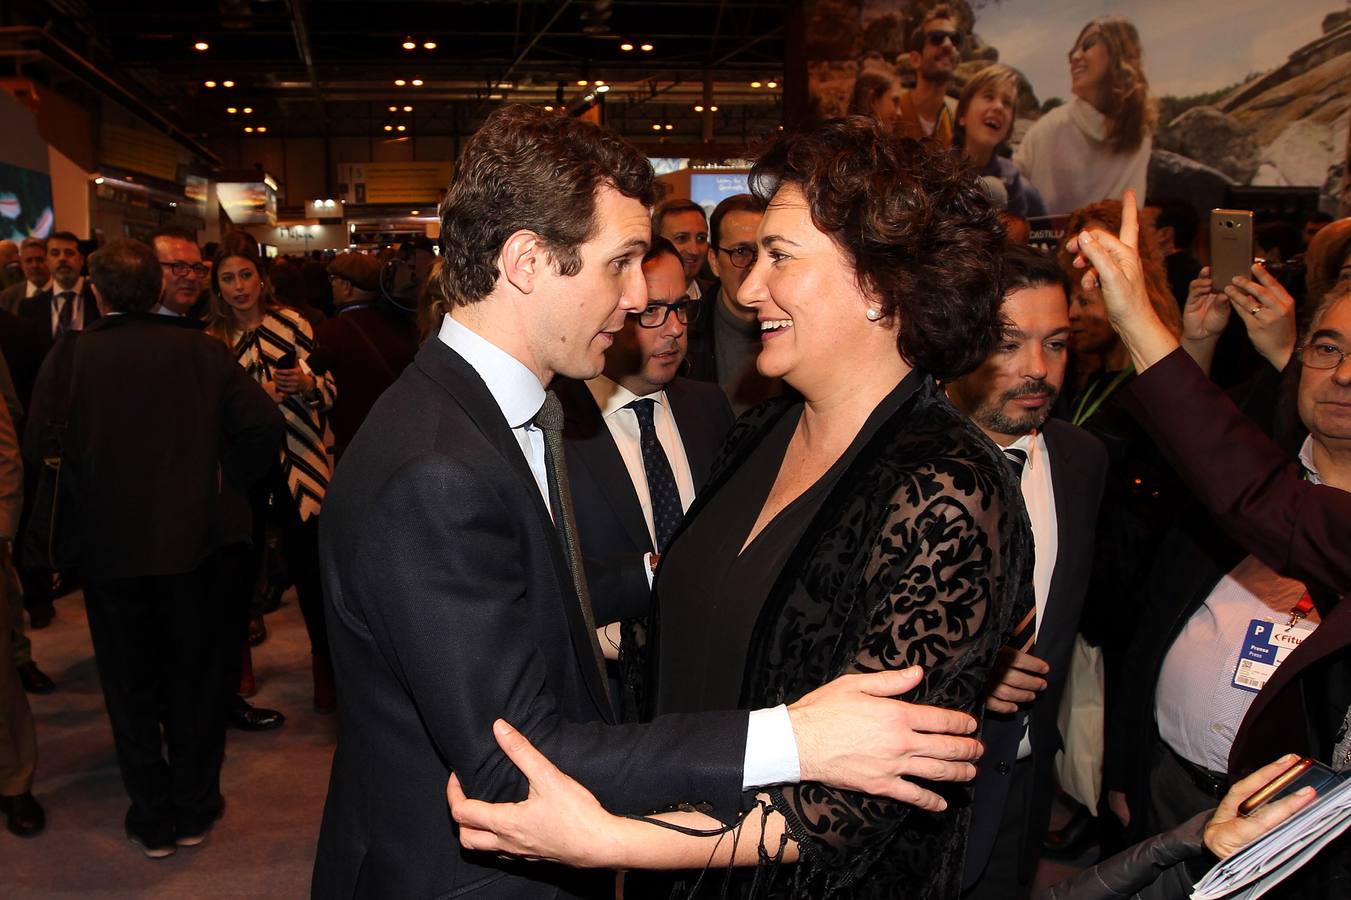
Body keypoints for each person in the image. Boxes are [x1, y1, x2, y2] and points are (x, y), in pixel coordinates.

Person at [314, 106, 990, 900]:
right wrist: (793, 736)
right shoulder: (438, 467)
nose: (641, 298)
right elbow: (510, 760)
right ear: (529, 261)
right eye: (621, 263)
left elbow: (530, 597)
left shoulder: (506, 416)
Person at [1069, 191, 1351, 896]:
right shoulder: (1259, 470)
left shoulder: (1276, 501)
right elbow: (1144, 622)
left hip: (1302, 833)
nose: (1344, 375)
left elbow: (1251, 491)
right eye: (1326, 349)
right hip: (1169, 790)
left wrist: (1136, 317)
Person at [29, 239, 282, 856]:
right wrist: (224, 486)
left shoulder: (71, 356)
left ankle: (152, 814)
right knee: (196, 681)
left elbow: (41, 448)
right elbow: (264, 427)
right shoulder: (202, 351)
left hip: (111, 553)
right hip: (199, 548)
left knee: (129, 685)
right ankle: (194, 807)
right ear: (157, 287)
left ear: (98, 291)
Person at [945, 245, 1108, 899]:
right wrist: (969, 668)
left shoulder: (1081, 460)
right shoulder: (890, 460)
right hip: (914, 790)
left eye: (1058, 344)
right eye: (1009, 344)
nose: (1037, 370)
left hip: (1023, 785)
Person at [554, 237, 734, 706]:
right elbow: (545, 580)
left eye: (681, 307)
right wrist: (661, 572)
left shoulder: (708, 407)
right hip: (606, 704)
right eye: (652, 310)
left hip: (709, 694)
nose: (674, 329)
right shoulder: (550, 425)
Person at [206, 243, 337, 715]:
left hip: (301, 465)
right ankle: (238, 661)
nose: (239, 287)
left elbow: (329, 390)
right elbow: (206, 414)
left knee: (313, 574)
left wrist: (308, 387)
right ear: (216, 286)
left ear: (261, 278)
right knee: (238, 570)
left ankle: (327, 669)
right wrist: (253, 403)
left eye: (246, 275)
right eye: (228, 278)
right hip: (243, 470)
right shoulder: (212, 339)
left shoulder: (294, 324)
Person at [1014, 17, 1155, 216]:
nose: (1075, 57)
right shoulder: (1051, 127)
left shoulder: (1139, 135)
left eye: (1087, 46)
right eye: (1072, 52)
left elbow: (1130, 214)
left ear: (1118, 51)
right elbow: (1013, 189)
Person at [310, 251, 417, 461]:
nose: (331, 285)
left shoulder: (329, 332)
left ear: (347, 286)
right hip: (402, 440)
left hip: (354, 447)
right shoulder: (403, 324)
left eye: (334, 280)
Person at [684, 192, 783, 414]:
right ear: (714, 262)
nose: (755, 267)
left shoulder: (799, 329)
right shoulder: (683, 331)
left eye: (769, 254)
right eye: (741, 252)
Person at [954, 64, 1046, 219]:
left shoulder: (1012, 178)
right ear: (962, 115)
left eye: (1007, 103)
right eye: (989, 96)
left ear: (1008, 129)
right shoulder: (939, 170)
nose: (998, 107)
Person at [895, 4, 960, 145]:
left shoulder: (961, 115)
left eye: (955, 40)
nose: (948, 44)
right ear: (915, 59)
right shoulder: (892, 110)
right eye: (937, 38)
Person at [652, 199, 712, 300]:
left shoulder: (717, 298)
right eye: (681, 238)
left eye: (701, 238)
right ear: (655, 242)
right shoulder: (636, 300)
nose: (694, 251)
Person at [151, 226, 209, 319]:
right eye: (178, 266)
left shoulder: (202, 323)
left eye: (197, 267)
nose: (192, 276)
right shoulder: (134, 330)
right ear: (151, 269)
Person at [0, 237, 50, 315]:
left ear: (50, 261)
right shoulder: (6, 298)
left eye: (40, 260)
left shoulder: (63, 292)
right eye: (29, 261)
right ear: (22, 264)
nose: (35, 265)